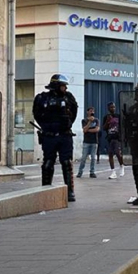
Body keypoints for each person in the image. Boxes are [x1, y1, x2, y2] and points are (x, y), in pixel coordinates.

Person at [33, 74, 78, 202]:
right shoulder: (42, 98)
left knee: (66, 163)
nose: (65, 88)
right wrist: (48, 127)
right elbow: (37, 115)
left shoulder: (69, 98)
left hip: (64, 135)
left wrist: (66, 124)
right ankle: (46, 190)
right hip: (49, 136)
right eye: (63, 86)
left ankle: (69, 191)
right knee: (48, 163)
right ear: (57, 86)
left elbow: (73, 114)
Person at [103, 102, 125, 179]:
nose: (113, 108)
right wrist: (107, 121)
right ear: (108, 108)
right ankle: (113, 172)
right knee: (110, 154)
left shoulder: (118, 116)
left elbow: (122, 126)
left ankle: (122, 166)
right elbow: (104, 128)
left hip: (117, 137)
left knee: (117, 152)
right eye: (111, 107)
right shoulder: (106, 117)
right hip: (110, 137)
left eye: (114, 107)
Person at [78, 106, 99, 178]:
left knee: (93, 158)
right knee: (83, 158)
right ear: (87, 112)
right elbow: (84, 130)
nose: (92, 112)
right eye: (90, 111)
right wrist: (89, 122)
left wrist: (88, 130)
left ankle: (92, 172)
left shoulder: (96, 120)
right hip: (86, 142)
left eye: (93, 111)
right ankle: (80, 172)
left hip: (94, 142)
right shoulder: (84, 120)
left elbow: (97, 129)